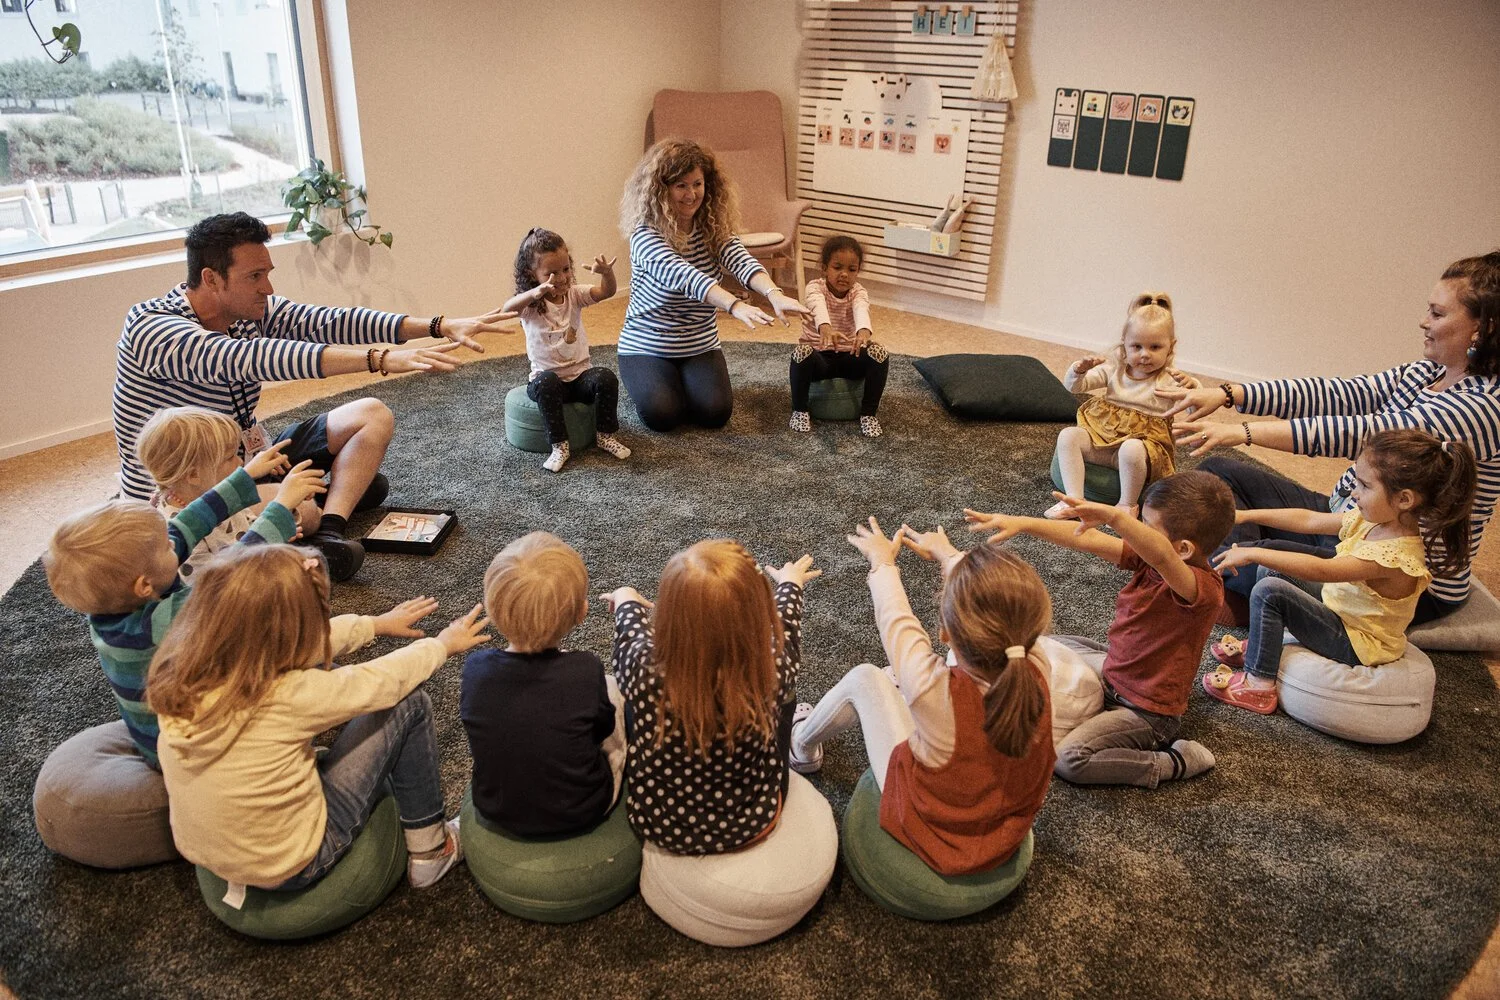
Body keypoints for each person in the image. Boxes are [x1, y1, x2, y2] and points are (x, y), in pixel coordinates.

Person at [113, 212, 516, 580]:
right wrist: (379, 359)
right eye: (254, 277)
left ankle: (330, 528)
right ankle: (322, 501)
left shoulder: (245, 312)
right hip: (189, 493)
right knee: (302, 507)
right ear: (212, 279)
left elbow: (326, 321)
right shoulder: (152, 328)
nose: (267, 288)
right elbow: (251, 358)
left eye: (266, 274)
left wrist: (436, 324)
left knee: (371, 415)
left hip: (245, 459)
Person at [1163, 250, 1500, 624]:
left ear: (1482, 328)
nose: (1423, 321)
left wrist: (1242, 432)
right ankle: (1233, 577)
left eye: (1437, 314)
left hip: (1390, 569)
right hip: (1346, 521)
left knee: (1257, 557)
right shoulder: (1429, 370)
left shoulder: (1484, 408)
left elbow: (1361, 434)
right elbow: (1341, 392)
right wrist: (1230, 395)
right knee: (1216, 475)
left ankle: (1225, 585)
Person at [146, 544, 492, 891]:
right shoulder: (284, 697)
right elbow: (381, 683)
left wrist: (373, 625)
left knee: (326, 670)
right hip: (296, 862)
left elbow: (299, 646)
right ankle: (432, 851)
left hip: (212, 852)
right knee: (409, 703)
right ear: (288, 634)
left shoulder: (184, 671)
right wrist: (442, 645)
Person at [789, 519, 1054, 876]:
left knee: (868, 679)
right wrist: (947, 554)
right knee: (900, 677)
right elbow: (999, 611)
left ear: (945, 633)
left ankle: (800, 746)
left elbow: (895, 618)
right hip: (1003, 831)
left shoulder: (933, 689)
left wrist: (882, 562)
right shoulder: (1036, 664)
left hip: (934, 829)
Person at [42, 451, 322, 767]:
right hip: (185, 751)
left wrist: (245, 476)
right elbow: (234, 575)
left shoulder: (120, 599)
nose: (172, 540)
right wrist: (280, 507)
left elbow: (188, 522)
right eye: (165, 546)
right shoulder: (149, 627)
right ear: (144, 586)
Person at [965, 470, 1235, 789]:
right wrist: (1023, 523)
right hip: (1112, 669)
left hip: (1145, 711)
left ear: (1184, 549)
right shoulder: (1150, 560)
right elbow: (1090, 540)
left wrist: (1114, 516)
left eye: (1145, 527)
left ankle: (1172, 763)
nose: (1136, 533)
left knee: (1069, 759)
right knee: (1037, 643)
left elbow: (1162, 555)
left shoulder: (1201, 590)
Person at [1203, 429, 1476, 715]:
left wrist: (1252, 552)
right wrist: (1247, 515)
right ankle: (1261, 647)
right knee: (1272, 570)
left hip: (1355, 643)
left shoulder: (1393, 556)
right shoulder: (1375, 521)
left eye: (1365, 486)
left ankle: (1258, 684)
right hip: (1342, 610)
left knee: (1270, 591)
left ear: (1404, 500)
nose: (1353, 492)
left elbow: (1324, 569)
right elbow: (1310, 520)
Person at [602, 540, 817, 854]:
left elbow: (631, 631)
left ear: (669, 615)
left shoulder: (643, 666)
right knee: (783, 698)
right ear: (758, 613)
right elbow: (785, 627)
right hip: (753, 819)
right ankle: (799, 737)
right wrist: (790, 585)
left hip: (661, 821)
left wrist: (625, 598)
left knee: (631, 697)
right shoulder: (773, 666)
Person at [616, 139, 809, 431]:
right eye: (680, 185)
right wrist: (734, 305)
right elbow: (685, 276)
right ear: (660, 189)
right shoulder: (645, 234)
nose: (691, 194)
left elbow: (739, 258)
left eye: (697, 184)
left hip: (699, 344)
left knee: (715, 413)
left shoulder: (711, 224)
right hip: (647, 346)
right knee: (663, 416)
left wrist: (775, 294)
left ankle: (678, 382)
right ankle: (653, 382)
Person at [460, 532, 626, 837]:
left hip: (495, 808)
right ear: (581, 613)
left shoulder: (475, 670)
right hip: (585, 807)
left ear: (494, 610)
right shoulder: (585, 669)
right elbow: (601, 730)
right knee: (614, 690)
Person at [1049, 292, 1198, 520]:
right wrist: (1079, 370)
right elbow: (1075, 387)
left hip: (1138, 453)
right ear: (1124, 345)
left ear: (1171, 347)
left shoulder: (1170, 379)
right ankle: (1074, 500)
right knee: (1068, 436)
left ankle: (1126, 505)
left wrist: (1193, 388)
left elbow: (1195, 409)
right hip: (1101, 443)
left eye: (1155, 347)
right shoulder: (1114, 369)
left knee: (1131, 448)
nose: (1145, 355)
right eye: (1136, 346)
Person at [135, 405, 321, 578]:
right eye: (229, 457)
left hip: (250, 568)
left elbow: (245, 525)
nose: (240, 462)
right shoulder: (175, 537)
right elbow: (218, 588)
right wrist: (279, 511)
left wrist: (279, 529)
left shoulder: (216, 495)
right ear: (193, 475)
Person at [502, 228, 632, 472]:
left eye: (565, 269)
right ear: (533, 274)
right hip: (549, 381)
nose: (561, 278)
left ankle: (605, 435)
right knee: (545, 383)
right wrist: (534, 293)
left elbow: (607, 292)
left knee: (605, 378)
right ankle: (559, 445)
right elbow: (506, 310)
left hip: (580, 377)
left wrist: (608, 274)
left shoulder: (575, 294)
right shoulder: (531, 305)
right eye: (551, 273)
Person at [788, 235, 891, 438]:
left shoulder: (858, 292)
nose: (844, 274)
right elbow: (816, 304)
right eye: (837, 267)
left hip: (847, 357)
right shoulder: (814, 287)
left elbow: (861, 309)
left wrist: (863, 333)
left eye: (851, 270)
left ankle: (868, 414)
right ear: (824, 268)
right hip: (819, 360)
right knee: (801, 353)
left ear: (857, 272)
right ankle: (800, 410)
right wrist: (825, 328)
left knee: (879, 353)